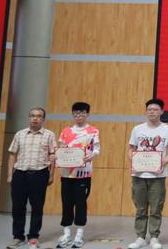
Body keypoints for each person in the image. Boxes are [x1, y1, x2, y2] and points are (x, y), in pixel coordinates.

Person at [127, 98, 168, 249]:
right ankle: (140, 237)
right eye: (149, 110)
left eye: (155, 110)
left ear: (162, 111)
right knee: (140, 208)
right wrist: (134, 161)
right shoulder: (137, 129)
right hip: (139, 175)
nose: (152, 112)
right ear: (146, 111)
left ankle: (154, 237)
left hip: (158, 176)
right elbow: (131, 149)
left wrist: (162, 163)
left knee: (156, 208)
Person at [6, 107, 57, 249]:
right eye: (33, 115)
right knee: (18, 207)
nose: (35, 118)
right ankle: (18, 236)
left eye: (39, 116)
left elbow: (53, 156)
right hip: (20, 174)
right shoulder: (20, 134)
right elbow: (12, 155)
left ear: (43, 119)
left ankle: (34, 236)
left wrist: (52, 174)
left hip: (40, 174)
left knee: (37, 207)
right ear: (29, 117)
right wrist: (10, 175)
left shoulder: (49, 135)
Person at [56, 101, 101, 248]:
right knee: (66, 203)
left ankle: (79, 235)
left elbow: (96, 150)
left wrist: (90, 156)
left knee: (81, 204)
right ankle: (66, 234)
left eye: (82, 112)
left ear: (87, 114)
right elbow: (61, 148)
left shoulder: (93, 131)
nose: (79, 115)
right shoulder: (66, 131)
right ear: (72, 114)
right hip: (66, 174)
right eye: (76, 113)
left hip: (83, 174)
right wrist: (58, 156)